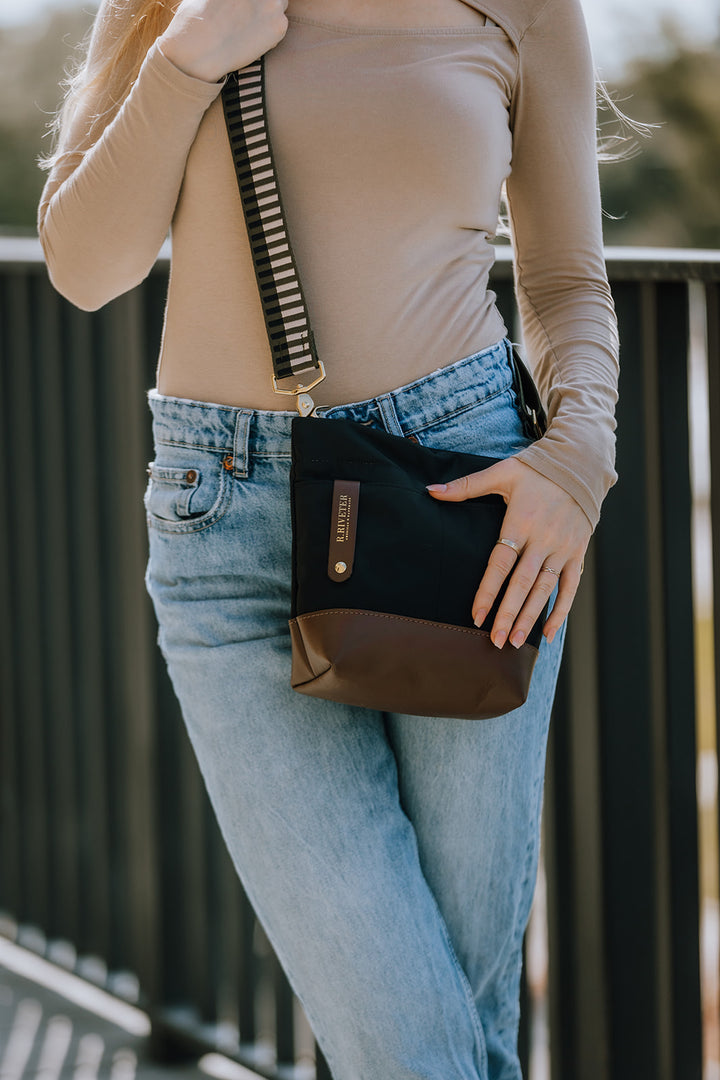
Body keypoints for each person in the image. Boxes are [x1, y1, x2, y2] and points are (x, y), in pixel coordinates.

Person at [38, 1, 619, 1076]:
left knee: (458, 1004)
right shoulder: (173, 7)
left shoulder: (524, 9)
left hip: (469, 513)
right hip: (223, 524)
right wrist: (192, 51)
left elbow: (564, 282)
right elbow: (85, 267)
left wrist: (577, 460)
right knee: (407, 1029)